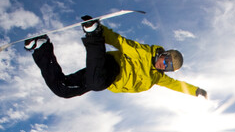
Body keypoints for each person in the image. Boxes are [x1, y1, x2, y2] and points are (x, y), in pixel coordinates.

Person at [24, 17, 207, 100]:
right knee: (96, 84)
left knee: (63, 89)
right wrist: (99, 31)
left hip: (106, 80)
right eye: (166, 61)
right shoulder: (145, 53)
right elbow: (121, 42)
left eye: (167, 68)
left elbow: (175, 85)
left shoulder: (157, 77)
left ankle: (41, 47)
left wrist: (195, 91)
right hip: (112, 67)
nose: (163, 66)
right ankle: (94, 36)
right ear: (164, 54)